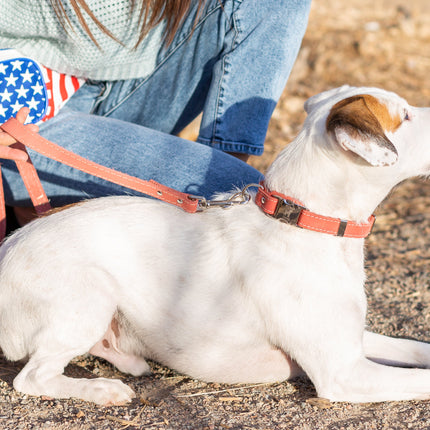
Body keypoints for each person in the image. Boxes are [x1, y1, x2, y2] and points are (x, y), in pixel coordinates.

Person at [0, 0, 312, 225]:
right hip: (26, 118)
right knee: (233, 188)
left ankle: (215, 204)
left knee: (232, 195)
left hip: (127, 79)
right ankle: (211, 209)